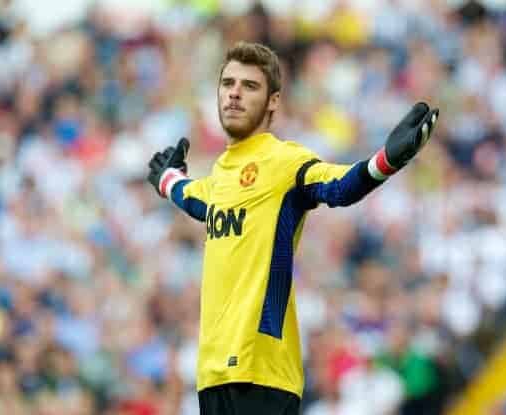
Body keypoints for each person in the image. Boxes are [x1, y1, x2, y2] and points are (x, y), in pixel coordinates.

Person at [146, 41, 439, 415]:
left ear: (273, 101)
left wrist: (386, 160)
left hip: (262, 371)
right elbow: (194, 198)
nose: (234, 93)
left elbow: (340, 187)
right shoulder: (221, 173)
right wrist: (167, 179)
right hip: (213, 373)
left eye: (249, 86)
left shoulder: (284, 161)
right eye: (228, 84)